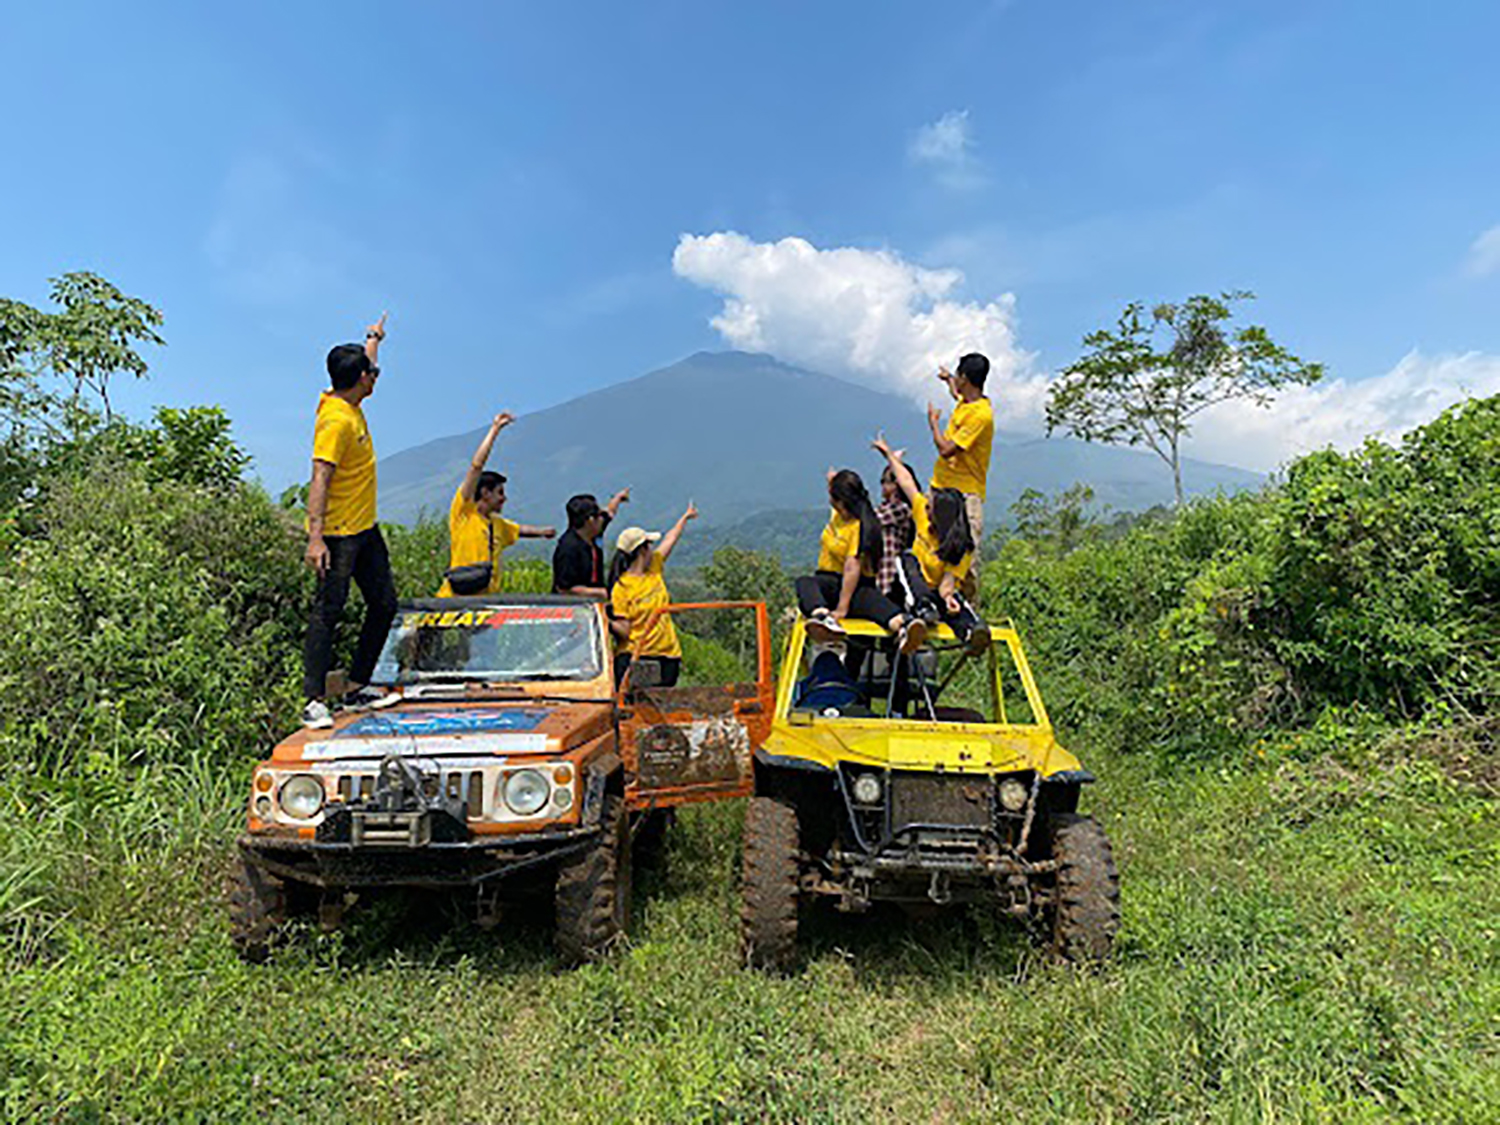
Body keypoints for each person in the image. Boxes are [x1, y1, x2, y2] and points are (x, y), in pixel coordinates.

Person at [301, 313, 400, 729]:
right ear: (362, 379)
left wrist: (373, 338)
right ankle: (313, 700)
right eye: (371, 371)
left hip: (365, 528)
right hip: (339, 535)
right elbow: (320, 476)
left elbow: (366, 363)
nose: (376, 376)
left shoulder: (350, 400)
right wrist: (315, 538)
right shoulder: (336, 421)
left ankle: (359, 684)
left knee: (384, 603)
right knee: (328, 610)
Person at [873, 434, 985, 650]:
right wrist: (888, 454)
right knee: (907, 559)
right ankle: (923, 609)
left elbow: (946, 586)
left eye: (930, 505)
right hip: (909, 589)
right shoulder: (922, 514)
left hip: (936, 594)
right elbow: (906, 481)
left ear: (941, 516)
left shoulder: (960, 546)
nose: (926, 504)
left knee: (954, 603)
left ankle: (971, 631)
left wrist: (949, 599)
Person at [794, 468, 923, 657]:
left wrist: (841, 609)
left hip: (850, 584)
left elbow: (851, 568)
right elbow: (838, 493)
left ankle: (904, 627)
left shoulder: (860, 526)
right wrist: (833, 480)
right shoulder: (839, 515)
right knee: (806, 583)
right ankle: (822, 618)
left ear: (842, 503)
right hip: (833, 583)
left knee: (877, 605)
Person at [436, 411, 556, 596]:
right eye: (500, 493)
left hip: (484, 605)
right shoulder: (464, 513)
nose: (504, 499)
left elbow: (520, 530)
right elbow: (476, 467)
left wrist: (544, 532)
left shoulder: (497, 524)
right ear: (484, 493)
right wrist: (495, 430)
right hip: (455, 603)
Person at [607, 502, 697, 688]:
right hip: (638, 656)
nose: (652, 550)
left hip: (668, 653)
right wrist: (604, 621)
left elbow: (670, 540)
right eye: (649, 545)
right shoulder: (622, 588)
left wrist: (684, 518)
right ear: (641, 550)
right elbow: (624, 631)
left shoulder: (654, 567)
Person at [928, 352, 994, 595]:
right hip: (941, 487)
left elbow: (946, 450)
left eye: (957, 374)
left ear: (965, 377)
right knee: (934, 550)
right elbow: (956, 393)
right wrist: (947, 379)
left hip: (966, 494)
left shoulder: (980, 415)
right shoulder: (966, 402)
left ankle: (970, 618)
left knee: (966, 562)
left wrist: (934, 424)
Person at [552, 488, 630, 597]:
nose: (602, 518)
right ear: (590, 520)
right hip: (572, 607)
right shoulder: (568, 548)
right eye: (599, 515)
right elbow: (565, 588)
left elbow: (610, 512)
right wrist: (604, 593)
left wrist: (618, 498)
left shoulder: (592, 533)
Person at [874, 458, 916, 599]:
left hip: (889, 574)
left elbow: (869, 519)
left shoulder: (900, 509)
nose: (882, 486)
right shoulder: (886, 508)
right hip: (880, 572)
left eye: (885, 481)